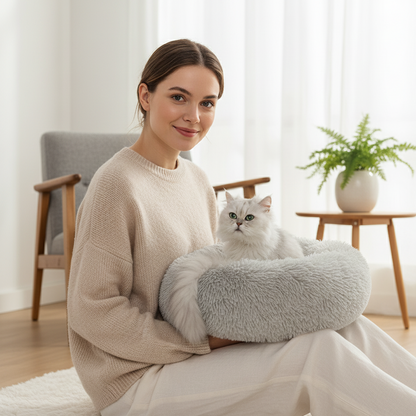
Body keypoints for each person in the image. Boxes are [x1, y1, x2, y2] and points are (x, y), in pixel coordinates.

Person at [67, 39, 416, 416]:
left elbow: (212, 276)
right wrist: (205, 342)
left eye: (207, 103)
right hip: (136, 381)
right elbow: (93, 312)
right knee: (317, 356)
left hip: (188, 357)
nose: (194, 116)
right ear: (146, 96)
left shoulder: (196, 180)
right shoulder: (115, 184)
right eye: (179, 98)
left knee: (345, 326)